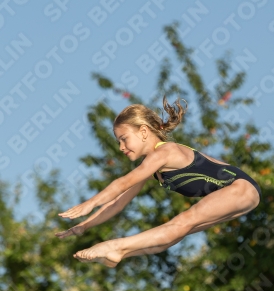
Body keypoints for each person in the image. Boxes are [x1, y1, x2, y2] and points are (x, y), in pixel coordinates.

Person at [55, 97, 262, 268]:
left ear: (144, 131)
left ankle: (115, 246)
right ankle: (120, 253)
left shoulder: (165, 152)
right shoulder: (151, 166)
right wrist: (84, 226)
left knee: (183, 221)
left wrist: (89, 204)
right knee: (175, 234)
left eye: (124, 138)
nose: (121, 147)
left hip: (241, 187)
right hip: (244, 196)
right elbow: (118, 201)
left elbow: (122, 183)